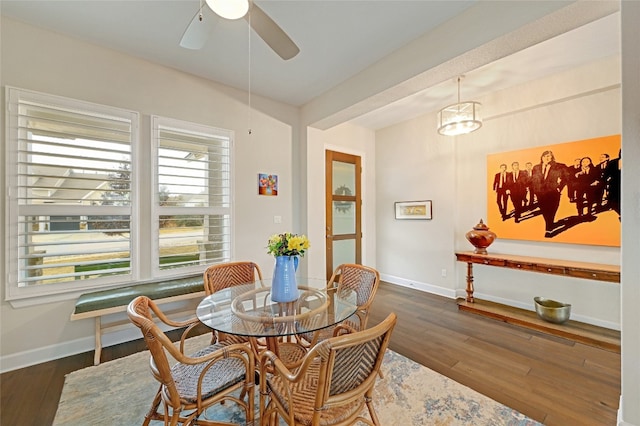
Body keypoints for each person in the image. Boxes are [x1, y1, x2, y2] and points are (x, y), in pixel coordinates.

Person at [531, 150, 568, 236]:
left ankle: (549, 228)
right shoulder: (536, 167)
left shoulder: (560, 166)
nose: (546, 158)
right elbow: (533, 180)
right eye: (545, 156)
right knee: (544, 210)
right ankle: (549, 223)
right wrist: (535, 191)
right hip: (540, 193)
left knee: (552, 209)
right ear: (542, 157)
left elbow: (566, 178)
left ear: (552, 157)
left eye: (549, 156)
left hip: (553, 192)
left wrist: (560, 188)